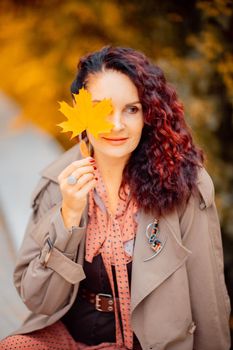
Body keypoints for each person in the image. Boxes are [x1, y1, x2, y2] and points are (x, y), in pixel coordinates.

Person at [0, 46, 231, 350]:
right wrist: (67, 216)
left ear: (148, 113)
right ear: (80, 110)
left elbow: (208, 294)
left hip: (151, 344)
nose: (117, 124)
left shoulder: (183, 182)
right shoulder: (57, 184)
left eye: (131, 109)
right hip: (73, 338)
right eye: (101, 109)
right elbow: (38, 298)